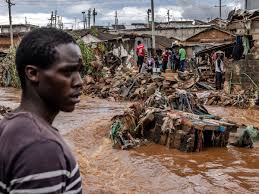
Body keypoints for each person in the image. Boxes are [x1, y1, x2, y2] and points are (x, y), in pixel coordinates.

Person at [0, 28, 83, 194]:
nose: (79, 82)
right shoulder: (41, 147)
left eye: (79, 70)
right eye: (67, 71)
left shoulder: (9, 125)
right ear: (33, 74)